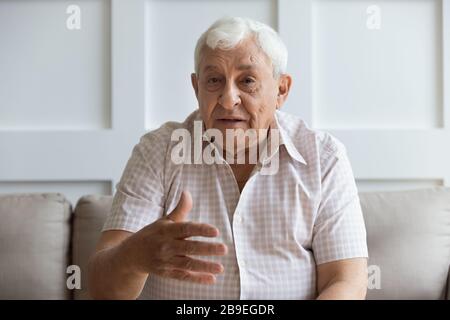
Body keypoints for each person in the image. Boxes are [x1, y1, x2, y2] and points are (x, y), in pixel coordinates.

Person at [88, 17, 368, 300]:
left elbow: (346, 282)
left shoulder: (324, 157)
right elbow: (102, 289)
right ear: (197, 88)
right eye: (214, 81)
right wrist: (134, 255)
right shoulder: (158, 151)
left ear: (281, 90)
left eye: (247, 81)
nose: (227, 99)